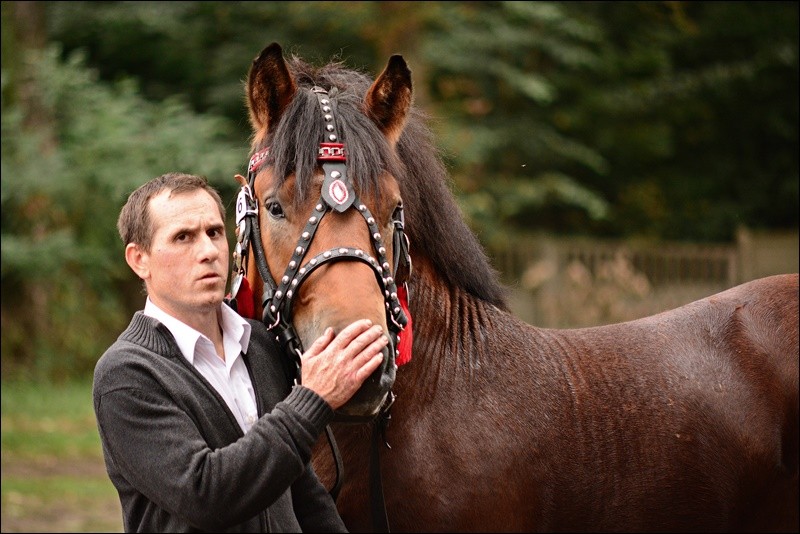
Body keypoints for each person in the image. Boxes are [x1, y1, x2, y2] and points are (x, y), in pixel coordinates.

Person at [93, 172, 387, 532]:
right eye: (183, 237)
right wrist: (311, 399)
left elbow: (304, 494)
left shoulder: (260, 344)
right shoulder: (126, 375)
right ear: (139, 259)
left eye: (214, 232)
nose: (207, 252)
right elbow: (206, 495)